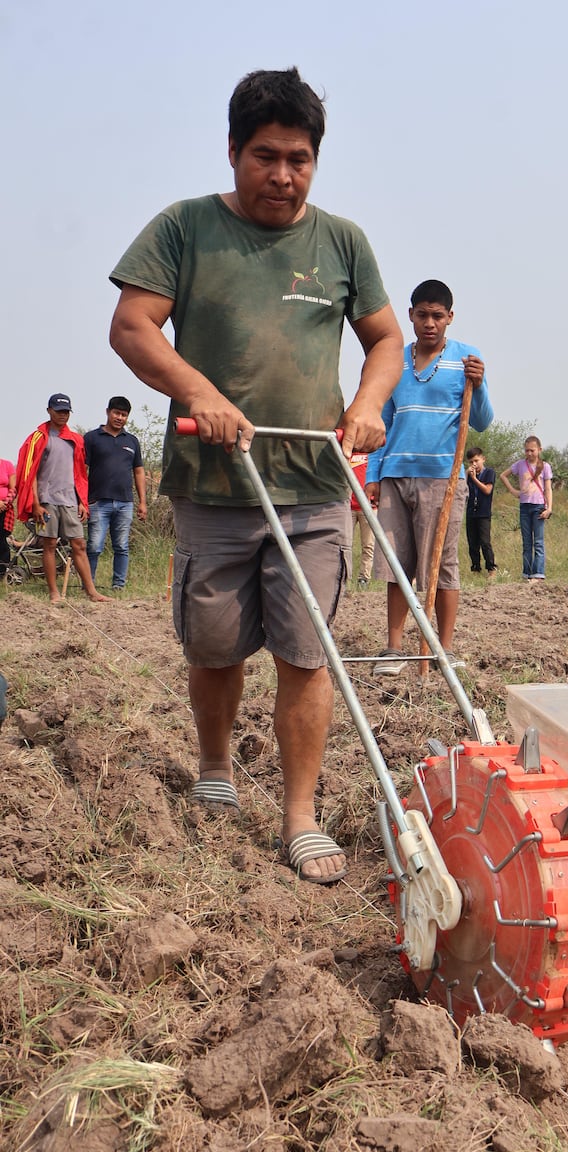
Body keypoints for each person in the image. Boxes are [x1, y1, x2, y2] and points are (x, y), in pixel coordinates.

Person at [108, 67, 402, 883]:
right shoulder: (185, 228)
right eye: (265, 155)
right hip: (214, 487)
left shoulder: (341, 241)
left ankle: (300, 814)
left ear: (316, 161)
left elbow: (384, 341)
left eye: (300, 159)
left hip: (313, 484)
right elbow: (132, 325)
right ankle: (215, 768)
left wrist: (371, 403)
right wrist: (200, 390)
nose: (283, 174)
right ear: (233, 150)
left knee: (307, 656)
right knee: (214, 646)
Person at [366, 280, 493, 677]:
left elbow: (483, 420)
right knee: (397, 565)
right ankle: (394, 649)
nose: (430, 323)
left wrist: (480, 384)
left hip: (443, 477)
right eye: (422, 315)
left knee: (443, 565)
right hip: (395, 475)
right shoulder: (394, 363)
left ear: (450, 318)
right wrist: (372, 473)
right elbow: (381, 423)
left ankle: (444, 649)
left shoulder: (466, 359)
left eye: (438, 316)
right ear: (411, 316)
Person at [15, 396, 111, 604]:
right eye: (59, 410)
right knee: (49, 544)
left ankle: (91, 591)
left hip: (69, 500)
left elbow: (79, 475)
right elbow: (29, 473)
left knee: (79, 544)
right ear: (49, 411)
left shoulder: (76, 440)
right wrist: (35, 504)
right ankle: (53, 593)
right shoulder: (38, 438)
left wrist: (81, 501)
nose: (63, 414)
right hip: (46, 500)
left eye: (66, 411)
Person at [84, 396, 147, 590]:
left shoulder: (132, 441)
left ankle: (118, 584)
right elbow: (82, 470)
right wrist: (81, 500)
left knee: (122, 546)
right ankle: (89, 585)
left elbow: (138, 471)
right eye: (116, 413)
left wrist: (142, 502)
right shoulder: (92, 438)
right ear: (108, 412)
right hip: (97, 501)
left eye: (124, 415)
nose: (120, 417)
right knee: (94, 547)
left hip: (125, 503)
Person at [500, 435, 553, 580]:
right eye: (526, 450)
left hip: (539, 506)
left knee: (538, 541)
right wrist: (513, 491)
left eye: (532, 450)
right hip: (524, 506)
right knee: (527, 542)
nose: (529, 453)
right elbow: (503, 475)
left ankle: (538, 574)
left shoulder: (545, 467)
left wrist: (549, 508)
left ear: (539, 450)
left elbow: (548, 489)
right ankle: (527, 573)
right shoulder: (519, 464)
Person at [465, 446, 496, 579]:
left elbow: (487, 490)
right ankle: (475, 568)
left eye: (476, 460)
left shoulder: (489, 472)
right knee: (472, 543)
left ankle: (491, 568)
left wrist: (474, 479)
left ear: (483, 459)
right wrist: (466, 476)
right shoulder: (469, 475)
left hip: (483, 513)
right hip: (471, 512)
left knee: (485, 542)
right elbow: (461, 490)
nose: (474, 464)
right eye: (471, 462)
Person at [349, 451, 375, 589]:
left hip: (368, 507)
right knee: (346, 544)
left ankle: (364, 578)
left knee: (368, 545)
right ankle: (345, 576)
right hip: (348, 507)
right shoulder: (347, 452)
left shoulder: (372, 454)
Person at [0, 457, 15, 577]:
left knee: (2, 540)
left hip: (4, 508)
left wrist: (4, 503)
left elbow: (13, 488)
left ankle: (3, 572)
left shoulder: (7, 465)